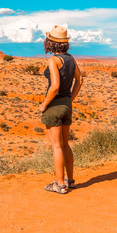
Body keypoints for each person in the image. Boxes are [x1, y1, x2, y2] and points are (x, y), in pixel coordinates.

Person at [39, 25, 83, 194]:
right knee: (65, 145)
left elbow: (55, 86)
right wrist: (70, 99)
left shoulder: (53, 60)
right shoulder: (71, 59)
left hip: (55, 106)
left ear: (50, 43)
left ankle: (59, 184)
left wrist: (44, 104)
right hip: (66, 106)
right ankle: (70, 181)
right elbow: (80, 80)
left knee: (56, 146)